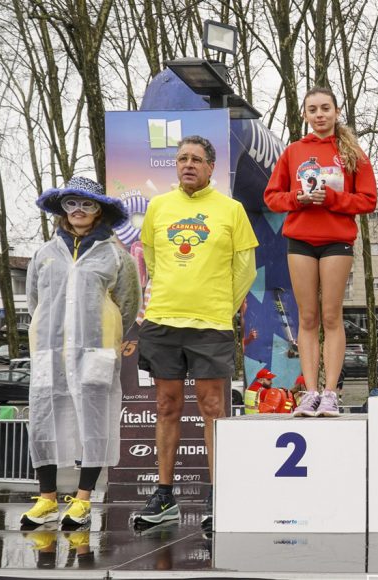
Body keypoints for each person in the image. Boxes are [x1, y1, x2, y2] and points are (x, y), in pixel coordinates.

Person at [131, 136, 258, 531]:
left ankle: (216, 494)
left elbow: (245, 269)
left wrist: (221, 307)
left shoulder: (231, 210)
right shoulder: (158, 207)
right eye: (182, 158)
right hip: (163, 321)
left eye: (197, 159)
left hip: (211, 325)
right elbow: (150, 259)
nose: (188, 164)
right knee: (167, 406)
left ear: (210, 168)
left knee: (212, 408)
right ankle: (165, 495)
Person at [20, 176, 141, 528]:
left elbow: (127, 304)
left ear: (99, 210)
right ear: (62, 209)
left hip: (96, 349)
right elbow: (34, 301)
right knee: (44, 417)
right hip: (51, 350)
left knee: (95, 418)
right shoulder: (44, 254)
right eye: (72, 203)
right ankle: (46, 500)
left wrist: (104, 328)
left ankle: (84, 500)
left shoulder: (116, 256)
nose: (78, 211)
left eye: (87, 204)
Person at [265, 87, 376, 416]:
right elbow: (272, 197)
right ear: (305, 115)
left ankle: (330, 392)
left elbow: (368, 200)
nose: (320, 114)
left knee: (331, 315)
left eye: (325, 108)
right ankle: (310, 391)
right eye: (313, 109)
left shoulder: (351, 152)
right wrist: (296, 199)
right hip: (300, 239)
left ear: (337, 111)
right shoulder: (294, 151)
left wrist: (332, 199)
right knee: (307, 316)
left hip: (336, 240)